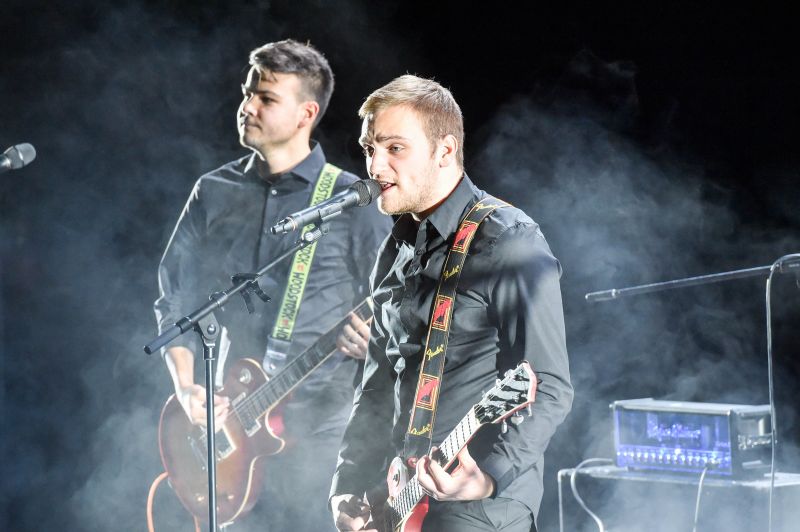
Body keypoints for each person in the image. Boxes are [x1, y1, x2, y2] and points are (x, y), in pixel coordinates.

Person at [154, 39, 391, 530]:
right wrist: (187, 387)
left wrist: (380, 337)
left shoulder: (352, 201)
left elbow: (403, 301)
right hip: (232, 429)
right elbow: (176, 297)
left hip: (325, 437)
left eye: (266, 98)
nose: (247, 107)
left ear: (306, 114)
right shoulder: (212, 191)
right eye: (247, 93)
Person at [329, 75, 573, 532]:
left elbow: (550, 386)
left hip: (478, 511)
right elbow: (376, 385)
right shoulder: (395, 248)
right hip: (400, 500)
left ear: (444, 151)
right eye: (369, 149)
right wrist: (348, 483)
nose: (375, 166)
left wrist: (488, 476)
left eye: (394, 148)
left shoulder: (510, 241)